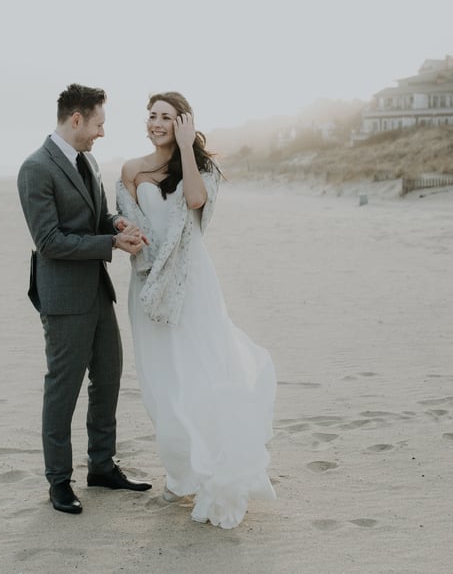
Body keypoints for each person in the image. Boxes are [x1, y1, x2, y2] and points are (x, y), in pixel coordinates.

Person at [116, 91, 276, 529]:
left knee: (200, 369)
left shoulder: (199, 167)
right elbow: (128, 221)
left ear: (183, 123)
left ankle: (210, 464)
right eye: (151, 115)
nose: (156, 122)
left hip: (192, 280)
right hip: (149, 283)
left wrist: (186, 149)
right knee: (160, 380)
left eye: (166, 117)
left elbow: (194, 202)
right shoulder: (131, 169)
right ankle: (179, 474)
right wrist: (119, 226)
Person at [17, 83, 152, 515]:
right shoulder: (35, 168)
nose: (101, 133)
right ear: (76, 119)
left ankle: (101, 466)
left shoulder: (86, 161)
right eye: (98, 124)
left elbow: (96, 216)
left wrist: (118, 225)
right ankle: (59, 481)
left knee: (108, 378)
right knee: (63, 390)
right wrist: (109, 244)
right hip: (63, 299)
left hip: (97, 292)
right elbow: (50, 241)